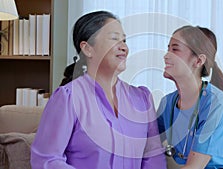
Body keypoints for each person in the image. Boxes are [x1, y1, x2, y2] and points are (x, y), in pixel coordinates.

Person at [31, 11, 166, 169]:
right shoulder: (68, 97)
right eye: (114, 38)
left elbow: (153, 157)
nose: (124, 47)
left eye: (124, 40)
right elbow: (46, 160)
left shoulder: (142, 99)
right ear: (88, 49)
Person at [157, 26, 223, 169]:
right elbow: (146, 142)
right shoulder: (168, 103)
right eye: (168, 48)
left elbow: (194, 167)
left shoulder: (217, 105)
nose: (166, 55)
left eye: (175, 49)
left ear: (198, 61)